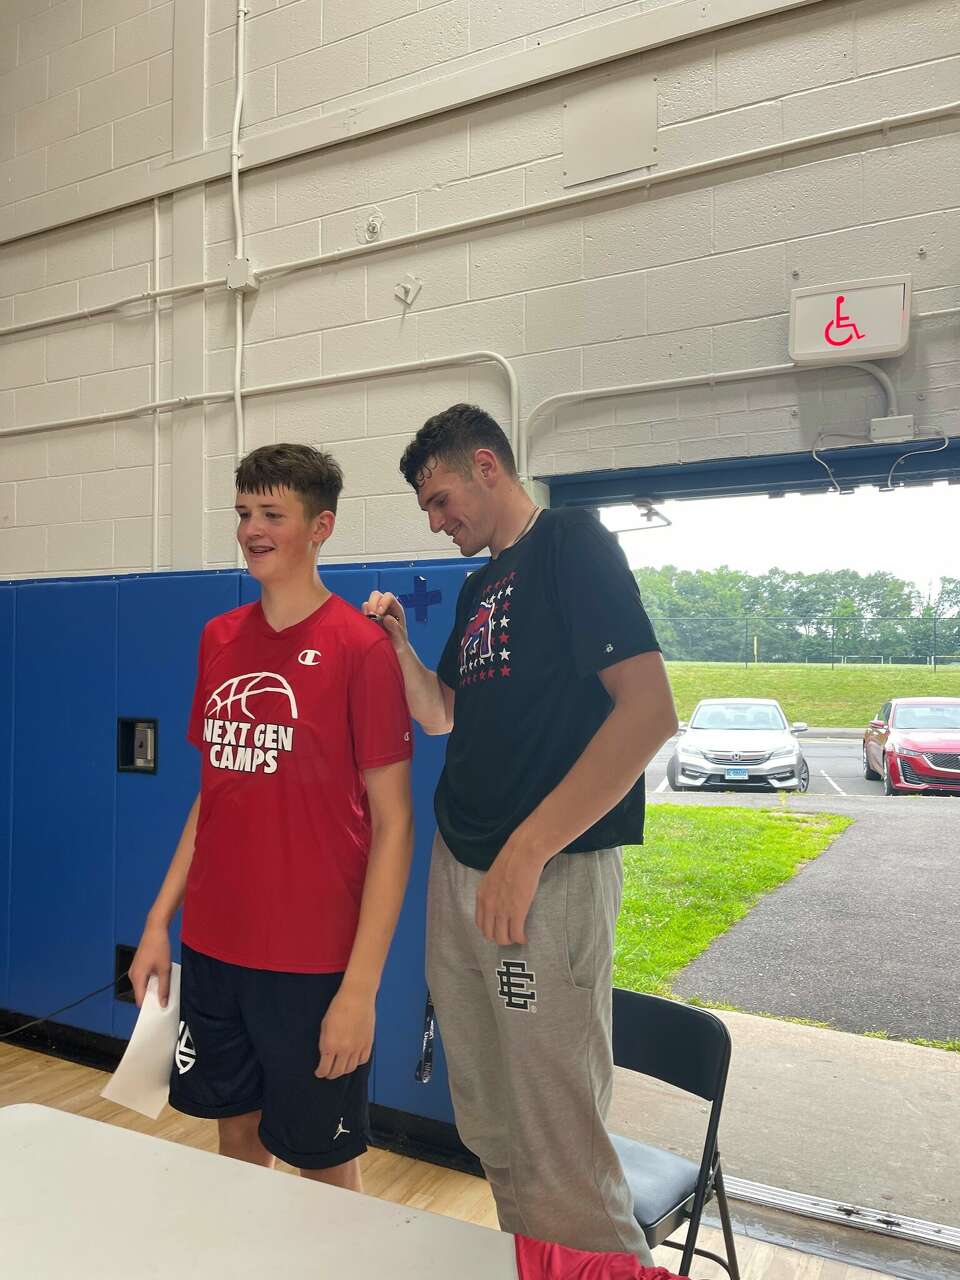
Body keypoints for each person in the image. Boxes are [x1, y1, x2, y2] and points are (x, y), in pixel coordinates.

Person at [364, 404, 678, 1260]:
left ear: (487, 466)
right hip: (462, 863)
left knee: (558, 1140)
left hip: (545, 872)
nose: (436, 521)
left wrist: (528, 850)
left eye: (440, 500)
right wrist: (400, 648)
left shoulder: (571, 543)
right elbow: (442, 715)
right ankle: (533, 1266)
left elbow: (649, 712)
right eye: (426, 509)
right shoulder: (479, 588)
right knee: (492, 1123)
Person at [130, 443, 414, 1192]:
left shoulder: (361, 649)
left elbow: (394, 826)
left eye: (272, 514)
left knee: (323, 1166)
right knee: (237, 1139)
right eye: (243, 513)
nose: (251, 529)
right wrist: (159, 921)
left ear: (320, 527)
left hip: (313, 962)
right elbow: (213, 795)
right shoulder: (219, 638)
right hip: (215, 948)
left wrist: (361, 989)